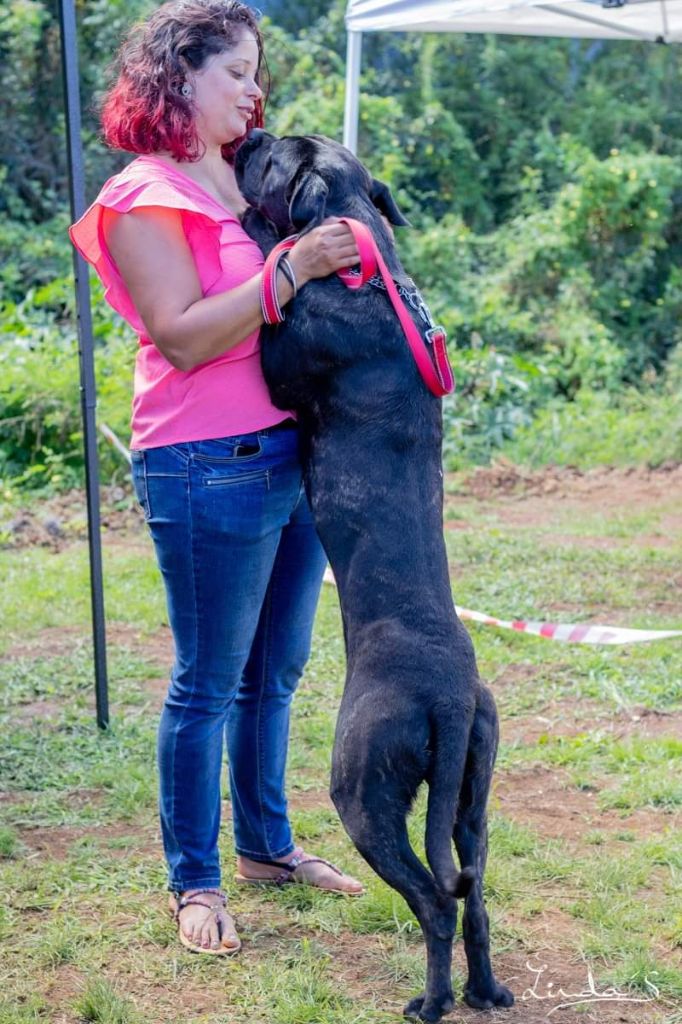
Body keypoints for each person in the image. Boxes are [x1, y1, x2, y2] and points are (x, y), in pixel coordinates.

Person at [69, 0, 364, 957]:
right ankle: (194, 881)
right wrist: (291, 270)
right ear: (178, 77)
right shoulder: (141, 197)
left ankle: (267, 849)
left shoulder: (246, 179)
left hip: (293, 453)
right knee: (207, 683)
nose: (254, 88)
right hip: (204, 465)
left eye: (255, 70)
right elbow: (186, 336)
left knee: (274, 675)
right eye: (236, 70)